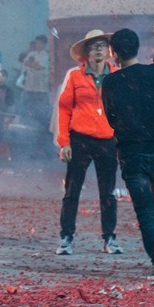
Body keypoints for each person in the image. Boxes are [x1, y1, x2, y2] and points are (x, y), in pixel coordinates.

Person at [100, 28, 154, 281]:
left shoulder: (111, 81)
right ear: (137, 48)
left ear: (114, 53)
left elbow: (111, 117)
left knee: (145, 208)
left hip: (132, 151)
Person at [55, 29, 121, 256]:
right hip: (80, 139)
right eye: (94, 46)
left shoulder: (117, 74)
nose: (99, 49)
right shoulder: (74, 75)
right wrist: (64, 142)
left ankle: (109, 238)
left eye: (103, 44)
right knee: (72, 191)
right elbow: (63, 110)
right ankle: (66, 238)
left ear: (109, 50)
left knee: (108, 193)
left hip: (107, 140)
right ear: (87, 52)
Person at [17, 35, 52, 133]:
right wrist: (32, 64)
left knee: (40, 113)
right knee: (27, 111)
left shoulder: (46, 55)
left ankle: (42, 133)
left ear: (44, 44)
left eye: (39, 43)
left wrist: (31, 64)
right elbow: (25, 62)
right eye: (36, 43)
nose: (37, 45)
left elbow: (39, 67)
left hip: (40, 89)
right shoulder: (32, 53)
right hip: (29, 87)